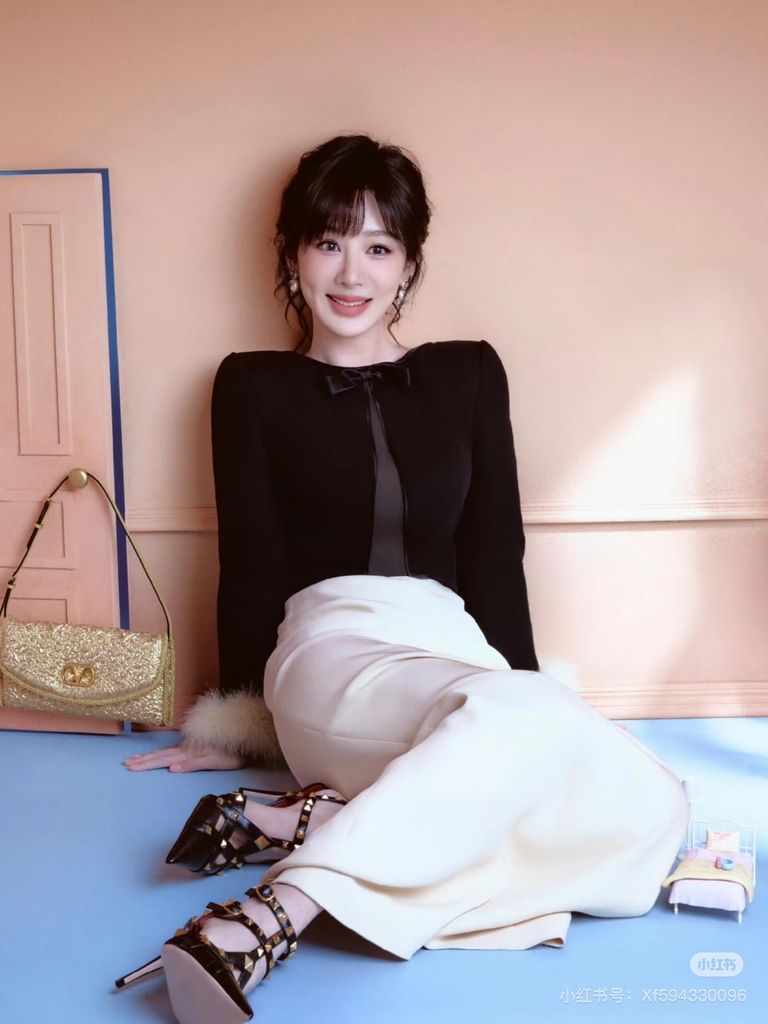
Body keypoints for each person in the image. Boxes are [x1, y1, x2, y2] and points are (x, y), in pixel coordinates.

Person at [119, 134, 689, 1024]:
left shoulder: (470, 373)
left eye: (379, 247)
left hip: (455, 650)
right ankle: (270, 915)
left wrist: (526, 688)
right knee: (572, 777)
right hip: (330, 649)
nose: (352, 273)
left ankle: (307, 825)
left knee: (659, 803)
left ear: (410, 264)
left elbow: (495, 550)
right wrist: (239, 720)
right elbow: (251, 557)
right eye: (329, 242)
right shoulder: (251, 386)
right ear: (292, 256)